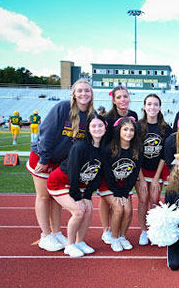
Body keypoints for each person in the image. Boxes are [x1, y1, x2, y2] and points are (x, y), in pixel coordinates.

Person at [26, 79, 95, 252]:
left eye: (87, 91)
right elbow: (46, 132)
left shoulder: (90, 115)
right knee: (43, 196)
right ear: (73, 93)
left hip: (61, 162)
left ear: (92, 93)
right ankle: (45, 235)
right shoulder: (63, 107)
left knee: (56, 199)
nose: (83, 94)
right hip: (43, 157)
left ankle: (56, 233)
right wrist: (43, 158)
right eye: (80, 91)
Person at [46, 114, 106, 257]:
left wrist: (88, 195)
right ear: (88, 129)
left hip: (80, 184)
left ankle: (80, 241)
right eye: (93, 126)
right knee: (79, 211)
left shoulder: (104, 148)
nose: (97, 128)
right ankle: (70, 245)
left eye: (100, 125)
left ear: (105, 127)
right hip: (59, 182)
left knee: (88, 209)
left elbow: (98, 174)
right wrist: (77, 197)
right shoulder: (80, 146)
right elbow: (73, 172)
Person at [98, 86, 139, 245]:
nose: (123, 100)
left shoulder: (133, 115)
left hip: (125, 164)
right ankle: (106, 229)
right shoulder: (108, 118)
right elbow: (105, 142)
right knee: (105, 200)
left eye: (125, 96)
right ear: (113, 100)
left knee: (124, 207)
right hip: (109, 161)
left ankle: (120, 234)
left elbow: (134, 139)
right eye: (119, 97)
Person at [100, 116, 142, 252]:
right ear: (119, 130)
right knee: (118, 209)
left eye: (131, 130)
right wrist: (116, 191)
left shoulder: (137, 149)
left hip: (124, 185)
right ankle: (114, 237)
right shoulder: (109, 149)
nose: (128, 133)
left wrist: (125, 191)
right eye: (125, 129)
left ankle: (122, 236)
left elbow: (135, 173)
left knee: (128, 210)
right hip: (108, 184)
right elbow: (107, 173)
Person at [136, 94, 173, 246]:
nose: (152, 107)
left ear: (159, 107)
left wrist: (157, 177)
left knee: (154, 200)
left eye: (155, 104)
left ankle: (155, 230)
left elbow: (165, 154)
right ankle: (144, 231)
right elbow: (135, 154)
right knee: (143, 200)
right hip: (141, 169)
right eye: (149, 104)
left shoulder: (165, 127)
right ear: (144, 107)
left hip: (157, 169)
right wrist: (142, 179)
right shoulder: (138, 127)